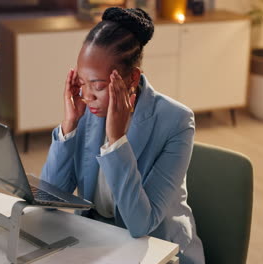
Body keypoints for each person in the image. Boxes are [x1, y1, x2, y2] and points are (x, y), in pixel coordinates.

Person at [41, 7, 205, 264]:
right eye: (81, 83)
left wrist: (117, 141)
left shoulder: (177, 122)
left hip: (159, 251)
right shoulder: (88, 110)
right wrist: (69, 124)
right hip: (99, 243)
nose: (86, 96)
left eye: (97, 86)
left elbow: (141, 224)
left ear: (132, 78)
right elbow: (48, 200)